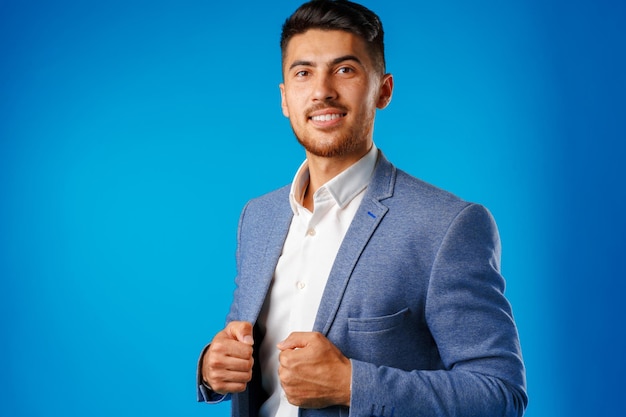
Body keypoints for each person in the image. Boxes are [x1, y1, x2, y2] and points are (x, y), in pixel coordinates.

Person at [197, 0, 528, 416]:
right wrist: (214, 366)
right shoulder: (257, 217)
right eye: (303, 73)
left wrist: (352, 383)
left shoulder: (447, 226)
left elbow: (499, 394)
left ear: (383, 90)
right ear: (285, 98)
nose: (322, 91)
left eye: (345, 70)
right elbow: (238, 341)